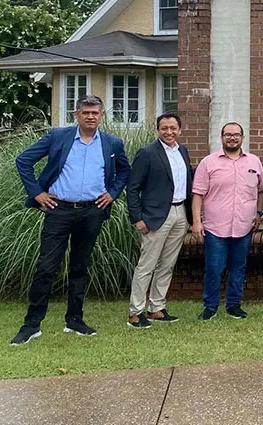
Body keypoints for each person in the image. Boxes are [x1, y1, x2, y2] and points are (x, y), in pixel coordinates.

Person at [10, 95, 130, 345]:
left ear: (102, 115)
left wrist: (113, 193)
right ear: (76, 114)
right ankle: (31, 325)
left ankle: (74, 320)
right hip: (59, 210)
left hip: (92, 211)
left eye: (95, 112)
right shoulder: (58, 137)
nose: (90, 116)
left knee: (80, 267)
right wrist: (37, 193)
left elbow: (124, 170)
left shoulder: (112, 144)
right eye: (85, 112)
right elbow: (23, 160)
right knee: (46, 267)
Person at [124, 113, 194, 328]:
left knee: (167, 264)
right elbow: (133, 187)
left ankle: (156, 308)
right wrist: (137, 218)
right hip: (155, 217)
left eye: (173, 128)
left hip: (181, 213)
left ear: (180, 130)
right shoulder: (147, 153)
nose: (169, 132)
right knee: (146, 265)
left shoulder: (183, 151)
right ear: (158, 130)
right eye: (164, 128)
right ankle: (135, 312)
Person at [190, 122, 263, 320]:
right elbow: (198, 194)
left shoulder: (254, 162)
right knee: (214, 268)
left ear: (242, 137)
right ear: (221, 137)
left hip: (244, 225)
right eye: (228, 135)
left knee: (238, 268)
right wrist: (197, 222)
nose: (232, 138)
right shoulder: (208, 163)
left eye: (236, 135)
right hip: (216, 226)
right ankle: (210, 306)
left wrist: (259, 213)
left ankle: (234, 305)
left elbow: (261, 189)